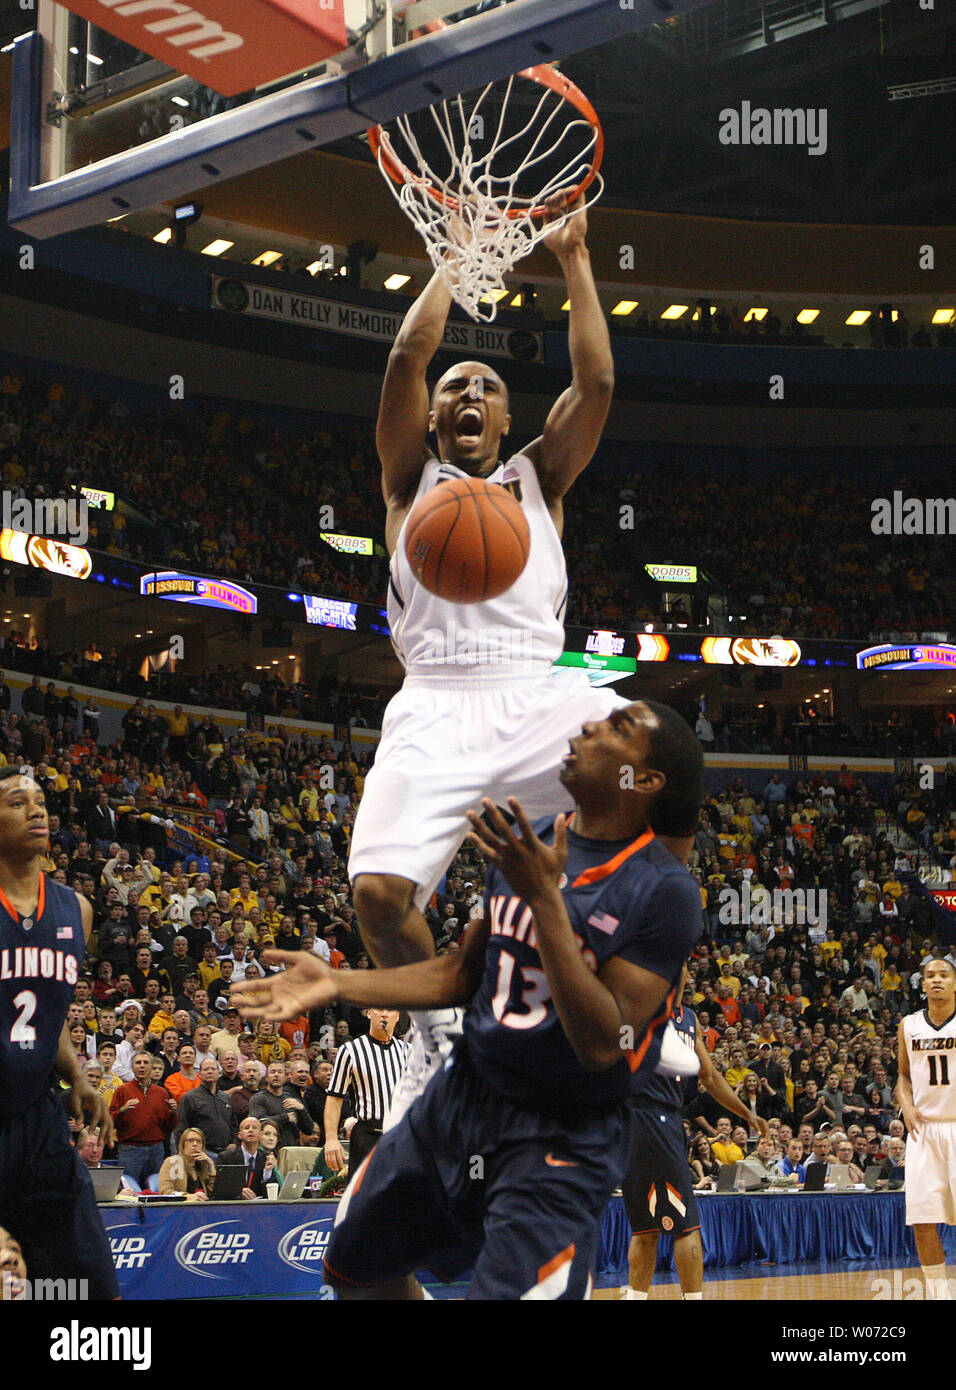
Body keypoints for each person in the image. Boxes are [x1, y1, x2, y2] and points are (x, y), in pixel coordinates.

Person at [235, 699, 704, 1299]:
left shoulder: (664, 891)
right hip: (462, 1100)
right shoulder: (528, 846)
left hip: (559, 1133)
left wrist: (545, 901)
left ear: (645, 780)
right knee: (354, 1274)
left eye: (619, 728)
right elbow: (461, 973)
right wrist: (340, 982)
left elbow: (602, 1041)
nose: (588, 725)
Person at [346, 190, 630, 1121]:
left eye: (489, 388)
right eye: (457, 388)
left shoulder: (538, 478)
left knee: (648, 756)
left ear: (510, 421)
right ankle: (439, 1041)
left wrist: (577, 259)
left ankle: (626, 992)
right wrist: (456, 261)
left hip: (536, 691)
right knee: (380, 895)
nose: (470, 395)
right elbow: (404, 355)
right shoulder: (406, 482)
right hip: (433, 700)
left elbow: (595, 388)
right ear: (432, 419)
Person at [0, 767, 118, 1298]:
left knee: (77, 1271)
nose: (36, 811)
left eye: (41, 801)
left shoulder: (77, 908)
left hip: (39, 1112)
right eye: (17, 803)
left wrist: (79, 1076)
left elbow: (52, 1011)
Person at [620, 965, 769, 1302]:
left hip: (644, 1123)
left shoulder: (688, 1018)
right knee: (686, 1225)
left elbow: (711, 1077)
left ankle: (636, 1297)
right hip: (651, 1116)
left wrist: (747, 1114)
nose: (680, 968)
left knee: (645, 1228)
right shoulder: (639, 1006)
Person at [897, 957, 956, 1299]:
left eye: (943, 975)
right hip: (924, 1131)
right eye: (930, 976)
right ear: (922, 985)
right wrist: (906, 1103)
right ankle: (939, 1295)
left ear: (954, 983)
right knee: (922, 1221)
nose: (936, 980)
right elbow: (903, 1075)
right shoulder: (908, 1025)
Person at [324, 1009, 407, 1175]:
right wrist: (331, 1138)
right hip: (368, 1137)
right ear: (369, 1013)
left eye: (389, 1010)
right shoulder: (350, 1050)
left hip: (403, 1136)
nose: (384, 1014)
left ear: (397, 1016)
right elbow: (334, 1098)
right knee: (366, 1198)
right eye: (379, 1009)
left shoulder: (408, 1051)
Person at [109, 1049, 176, 1186]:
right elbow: (110, 1120)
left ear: (151, 1067)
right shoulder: (122, 1090)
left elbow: (168, 1127)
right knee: (129, 1189)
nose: (142, 1066)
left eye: (146, 1062)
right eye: (138, 1063)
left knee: (155, 1191)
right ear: (132, 1067)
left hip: (156, 1149)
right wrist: (122, 1110)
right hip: (130, 1149)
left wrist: (173, 1112)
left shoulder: (162, 1093)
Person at [173, 1056, 237, 1157]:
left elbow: (233, 1124)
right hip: (202, 1153)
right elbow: (182, 1128)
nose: (210, 1072)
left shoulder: (225, 1098)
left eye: (213, 1069)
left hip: (226, 1153)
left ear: (219, 1073)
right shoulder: (190, 1098)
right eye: (206, 1069)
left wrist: (234, 1143)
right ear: (199, 1074)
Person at [218, 1116, 279, 1199]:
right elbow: (220, 1189)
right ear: (239, 1135)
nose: (250, 1130)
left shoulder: (266, 1158)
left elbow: (271, 1194)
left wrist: (267, 1172)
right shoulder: (226, 1157)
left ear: (260, 1134)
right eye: (246, 1128)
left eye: (254, 1128)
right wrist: (238, 1191)